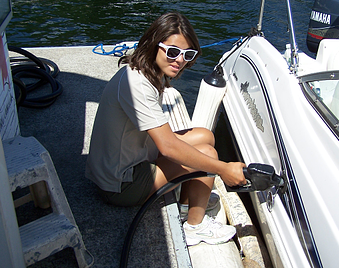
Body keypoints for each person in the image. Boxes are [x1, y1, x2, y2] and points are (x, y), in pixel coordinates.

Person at [85, 12, 246, 246]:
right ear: (153, 44)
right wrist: (224, 169)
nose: (180, 60)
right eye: (172, 51)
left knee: (206, 136)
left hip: (131, 158)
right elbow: (168, 146)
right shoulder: (137, 83)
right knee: (209, 155)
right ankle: (194, 226)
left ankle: (185, 203)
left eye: (187, 54)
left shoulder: (147, 72)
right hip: (120, 184)